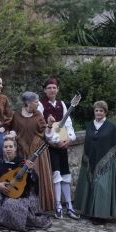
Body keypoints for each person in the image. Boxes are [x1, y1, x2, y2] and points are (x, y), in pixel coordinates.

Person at [0, 133, 52, 232]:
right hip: (2, 191)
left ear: (15, 148)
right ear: (3, 149)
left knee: (12, 205)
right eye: (6, 147)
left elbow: (33, 181)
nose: (8, 149)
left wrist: (30, 171)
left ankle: (13, 223)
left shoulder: (22, 163)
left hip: (20, 194)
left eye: (10, 146)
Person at [74, 101, 116, 224]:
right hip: (90, 160)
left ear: (105, 112)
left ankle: (101, 215)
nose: (98, 113)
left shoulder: (111, 127)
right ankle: (90, 211)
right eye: (96, 110)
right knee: (90, 185)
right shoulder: (90, 125)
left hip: (106, 163)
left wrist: (108, 158)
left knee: (101, 186)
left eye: (101, 110)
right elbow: (88, 142)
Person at [38, 78, 79, 219]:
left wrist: (69, 138)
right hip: (49, 145)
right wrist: (54, 141)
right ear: (45, 90)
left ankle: (69, 205)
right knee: (56, 175)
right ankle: (58, 206)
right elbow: (42, 127)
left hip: (62, 143)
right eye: (49, 87)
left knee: (66, 174)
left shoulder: (62, 104)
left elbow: (68, 124)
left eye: (54, 87)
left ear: (58, 89)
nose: (52, 90)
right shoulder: (40, 105)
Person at [10, 91, 56, 212]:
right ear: (28, 103)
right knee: (23, 178)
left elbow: (45, 133)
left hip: (38, 152)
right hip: (22, 151)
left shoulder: (39, 114)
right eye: (36, 101)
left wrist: (50, 125)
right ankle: (22, 206)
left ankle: (39, 206)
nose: (38, 103)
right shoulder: (17, 115)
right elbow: (13, 130)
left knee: (37, 178)